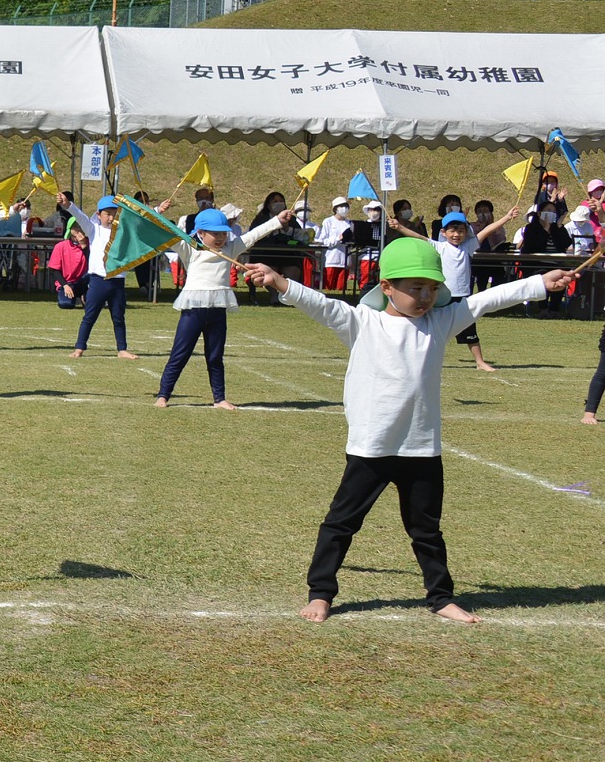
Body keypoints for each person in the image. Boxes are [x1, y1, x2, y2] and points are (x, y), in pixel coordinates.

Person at [243, 238, 575, 624]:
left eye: (432, 288)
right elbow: (321, 305)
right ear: (387, 287)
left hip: (422, 449)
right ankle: (321, 593)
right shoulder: (362, 322)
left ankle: (441, 597)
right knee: (341, 523)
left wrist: (538, 284)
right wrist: (278, 281)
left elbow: (487, 300)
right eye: (415, 287)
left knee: (427, 530)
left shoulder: (441, 321)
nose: (425, 296)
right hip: (372, 448)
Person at [155, 205, 292, 410]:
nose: (220, 238)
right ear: (200, 233)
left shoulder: (230, 248)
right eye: (214, 234)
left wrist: (277, 221)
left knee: (215, 356)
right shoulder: (190, 248)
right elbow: (167, 233)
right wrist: (155, 215)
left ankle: (219, 398)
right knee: (180, 354)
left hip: (218, 310)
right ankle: (163, 395)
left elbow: (253, 235)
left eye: (223, 233)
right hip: (193, 311)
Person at [390, 207, 519, 370]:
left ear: (466, 232)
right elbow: (418, 237)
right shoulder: (439, 247)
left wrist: (507, 217)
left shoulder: (469, 246)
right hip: (443, 296)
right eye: (452, 231)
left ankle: (479, 362)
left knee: (471, 330)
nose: (456, 234)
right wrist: (399, 227)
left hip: (463, 296)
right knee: (431, 327)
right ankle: (418, 359)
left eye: (460, 230)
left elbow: (487, 230)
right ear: (443, 232)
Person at [63, 194, 137, 359]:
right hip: (98, 281)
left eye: (114, 213)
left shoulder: (122, 231)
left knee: (118, 317)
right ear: (98, 215)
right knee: (90, 315)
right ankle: (79, 347)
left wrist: (158, 210)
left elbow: (140, 221)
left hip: (118, 281)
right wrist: (68, 205)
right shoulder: (93, 230)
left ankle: (122, 349)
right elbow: (80, 217)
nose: (111, 218)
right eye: (107, 214)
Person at [520, 201, 573, 318]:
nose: (551, 213)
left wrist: (559, 226)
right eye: (548, 211)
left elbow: (566, 244)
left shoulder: (557, 228)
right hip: (537, 264)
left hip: (556, 263)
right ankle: (542, 308)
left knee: (562, 276)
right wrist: (545, 229)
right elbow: (533, 246)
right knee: (543, 277)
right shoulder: (531, 228)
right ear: (539, 213)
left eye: (554, 212)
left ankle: (555, 308)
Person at [470, 200, 509, 292]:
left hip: (494, 260)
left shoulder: (498, 228)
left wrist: (493, 227)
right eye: (480, 211)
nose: (483, 214)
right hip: (477, 260)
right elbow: (474, 242)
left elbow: (500, 241)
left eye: (485, 211)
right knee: (481, 276)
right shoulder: (472, 226)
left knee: (499, 274)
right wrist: (482, 228)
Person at [317, 197, 353, 291]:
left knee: (341, 289)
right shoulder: (328, 221)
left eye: (346, 206)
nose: (344, 208)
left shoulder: (349, 223)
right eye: (341, 206)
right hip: (331, 260)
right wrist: (338, 239)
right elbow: (323, 240)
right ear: (335, 208)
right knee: (329, 288)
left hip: (344, 260)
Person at [350, 201, 384, 289]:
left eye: (376, 209)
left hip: (382, 255)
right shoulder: (362, 225)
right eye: (371, 210)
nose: (373, 212)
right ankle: (363, 290)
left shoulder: (385, 225)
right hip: (367, 256)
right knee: (365, 276)